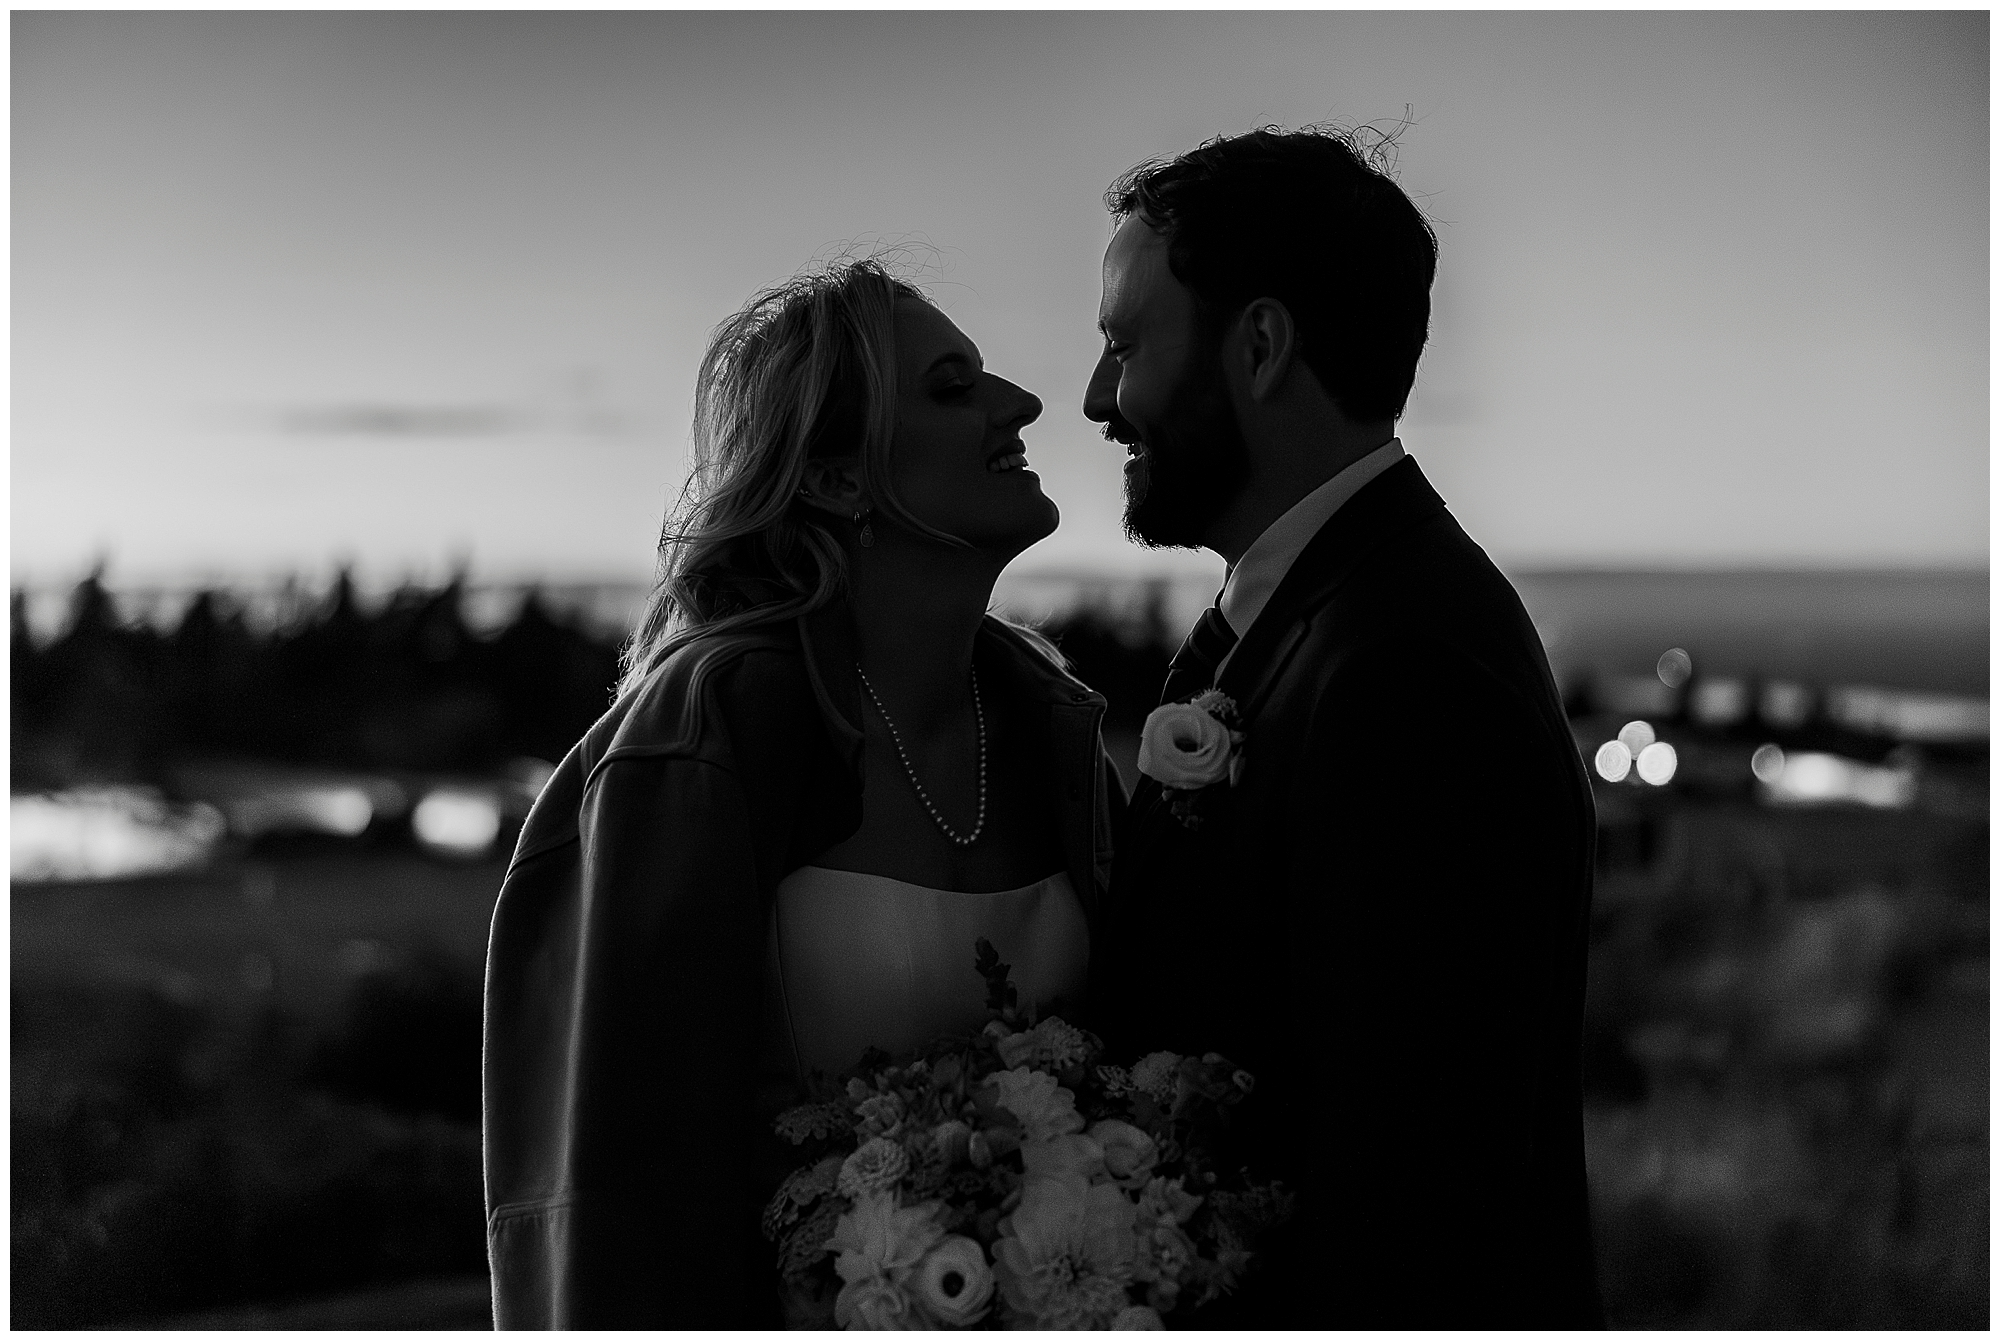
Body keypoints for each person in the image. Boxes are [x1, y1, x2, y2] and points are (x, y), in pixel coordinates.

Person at [481, 260, 1119, 1328]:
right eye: (952, 387)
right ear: (833, 478)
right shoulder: (705, 734)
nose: (1023, 402)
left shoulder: (1053, 728)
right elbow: (614, 1189)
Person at [1084, 126, 1603, 1327]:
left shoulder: (1410, 670)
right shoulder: (1319, 615)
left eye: (1124, 343)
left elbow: (1413, 1203)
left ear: (1258, 346)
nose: (1099, 396)